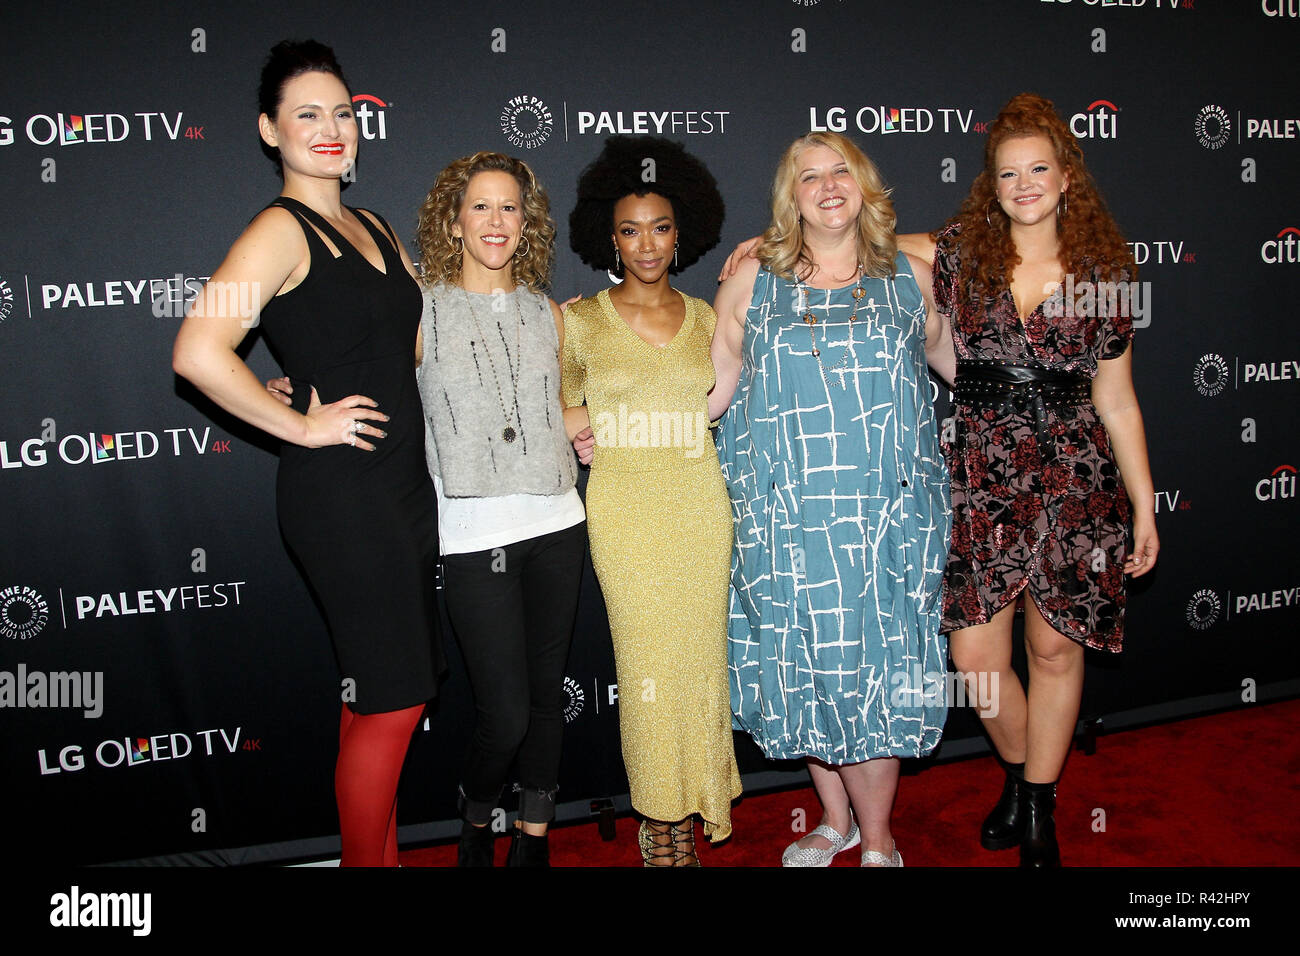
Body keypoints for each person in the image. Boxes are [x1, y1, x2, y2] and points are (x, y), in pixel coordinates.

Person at [172, 40, 439, 867]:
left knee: (375, 703)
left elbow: (414, 352)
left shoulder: (376, 225)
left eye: (344, 113)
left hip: (400, 486)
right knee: (396, 703)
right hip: (342, 497)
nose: (331, 129)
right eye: (307, 115)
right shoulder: (277, 229)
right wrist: (299, 423)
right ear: (269, 130)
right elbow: (197, 350)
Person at [896, 93, 1158, 867]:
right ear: (992, 183)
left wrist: (1144, 503)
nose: (1025, 183)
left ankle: (1037, 803)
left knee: (1054, 651)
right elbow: (867, 242)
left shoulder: (1103, 271)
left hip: (1077, 482)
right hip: (982, 476)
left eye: (1039, 168)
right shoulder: (962, 254)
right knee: (976, 662)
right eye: (1008, 173)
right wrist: (774, 241)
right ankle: (1021, 771)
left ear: (1067, 175)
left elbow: (1117, 399)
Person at [711, 131, 954, 867]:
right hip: (786, 519)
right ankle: (834, 819)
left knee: (874, 670)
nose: (826, 185)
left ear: (864, 184)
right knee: (807, 663)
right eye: (807, 176)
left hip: (888, 520)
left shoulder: (912, 278)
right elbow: (711, 394)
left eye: (839, 170)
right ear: (791, 198)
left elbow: (961, 371)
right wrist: (619, 419)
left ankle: (879, 840)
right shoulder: (752, 283)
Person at [562, 135, 741, 866]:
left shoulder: (706, 319)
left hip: (700, 508)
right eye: (630, 229)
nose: (646, 244)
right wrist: (574, 421)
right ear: (609, 235)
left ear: (682, 232)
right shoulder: (579, 321)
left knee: (699, 664)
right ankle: (659, 819)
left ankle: (698, 800)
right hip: (627, 516)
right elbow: (545, 403)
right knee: (645, 670)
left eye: (660, 227)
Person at [415, 152, 585, 867]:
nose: (495, 221)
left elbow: (566, 403)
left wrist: (589, 424)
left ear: (528, 221)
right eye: (479, 207)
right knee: (505, 713)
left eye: (509, 207)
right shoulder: (420, 309)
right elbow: (362, 371)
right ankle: (477, 816)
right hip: (472, 532)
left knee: (546, 699)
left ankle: (535, 837)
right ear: (454, 221)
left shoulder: (547, 311)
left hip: (557, 525)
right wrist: (296, 390)